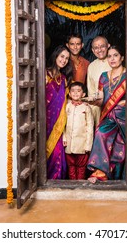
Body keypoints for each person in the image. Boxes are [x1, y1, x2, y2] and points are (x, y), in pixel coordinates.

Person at [87, 45, 126, 183]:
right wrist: (92, 101)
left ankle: (119, 178)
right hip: (108, 116)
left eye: (115, 55)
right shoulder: (104, 77)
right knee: (100, 133)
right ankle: (100, 172)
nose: (112, 59)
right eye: (109, 56)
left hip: (124, 117)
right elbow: (101, 99)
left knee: (121, 146)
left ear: (122, 57)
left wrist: (125, 102)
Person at [45, 45, 73, 179]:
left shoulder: (63, 79)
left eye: (67, 58)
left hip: (58, 123)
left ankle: (56, 181)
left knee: (57, 153)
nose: (64, 60)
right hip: (45, 121)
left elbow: (66, 102)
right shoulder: (45, 74)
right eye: (62, 56)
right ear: (55, 56)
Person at [63, 81, 94, 180]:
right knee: (71, 167)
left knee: (81, 168)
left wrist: (88, 145)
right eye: (73, 91)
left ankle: (81, 186)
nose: (75, 93)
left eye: (78, 91)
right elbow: (62, 125)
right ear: (69, 93)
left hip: (82, 145)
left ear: (83, 94)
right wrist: (64, 138)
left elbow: (90, 127)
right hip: (69, 144)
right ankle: (73, 187)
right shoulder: (67, 107)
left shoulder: (86, 108)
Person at [87, 36, 111, 129]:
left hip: (114, 103)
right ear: (93, 50)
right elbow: (91, 90)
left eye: (102, 46)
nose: (99, 50)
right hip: (98, 106)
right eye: (96, 48)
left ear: (108, 46)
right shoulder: (91, 66)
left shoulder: (114, 61)